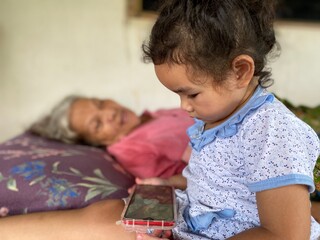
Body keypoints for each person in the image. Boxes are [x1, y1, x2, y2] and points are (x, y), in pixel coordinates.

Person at [1, 0, 320, 239]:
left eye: (191, 94)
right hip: (195, 221)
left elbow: (286, 236)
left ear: (240, 71)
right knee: (111, 214)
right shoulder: (219, 115)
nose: (184, 107)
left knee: (106, 226)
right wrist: (169, 184)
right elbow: (220, 184)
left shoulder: (274, 133)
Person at [29, 95, 194, 179]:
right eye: (97, 124)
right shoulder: (130, 148)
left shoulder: (151, 115)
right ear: (93, 143)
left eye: (100, 103)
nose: (110, 113)